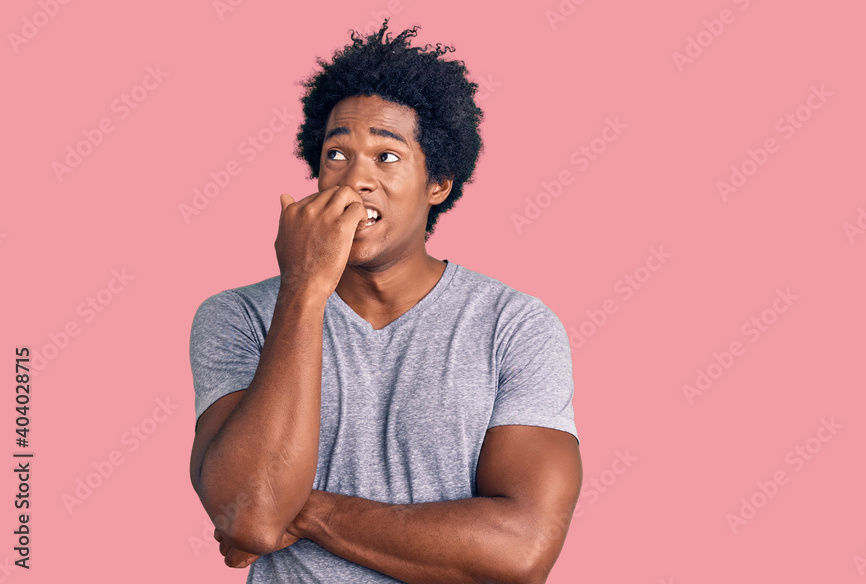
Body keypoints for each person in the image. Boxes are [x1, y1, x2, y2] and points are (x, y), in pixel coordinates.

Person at [188, 19, 582, 584]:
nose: (357, 179)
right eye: (337, 155)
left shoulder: (514, 326)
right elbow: (249, 518)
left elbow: (519, 552)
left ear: (438, 183)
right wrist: (303, 288)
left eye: (387, 157)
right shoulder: (237, 318)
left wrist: (305, 512)